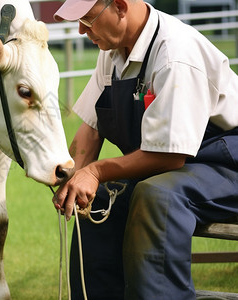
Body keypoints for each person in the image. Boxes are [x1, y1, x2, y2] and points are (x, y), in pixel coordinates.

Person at [52, 0, 238, 299]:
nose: (81, 31)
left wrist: (96, 170)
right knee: (98, 196)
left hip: (226, 162)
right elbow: (89, 131)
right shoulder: (111, 51)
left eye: (87, 19)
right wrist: (71, 179)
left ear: (121, 7)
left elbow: (170, 156)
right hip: (176, 165)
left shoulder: (175, 53)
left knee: (158, 195)